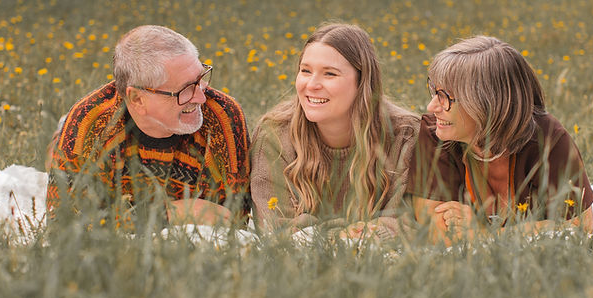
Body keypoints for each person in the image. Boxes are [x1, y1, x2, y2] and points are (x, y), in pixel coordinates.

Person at [46, 25, 250, 226]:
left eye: (201, 79)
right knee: (61, 159)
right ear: (137, 99)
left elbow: (234, 216)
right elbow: (64, 224)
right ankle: (59, 137)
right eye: (186, 89)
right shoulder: (89, 126)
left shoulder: (222, 114)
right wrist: (167, 215)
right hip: (91, 135)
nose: (201, 97)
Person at [409, 36, 593, 239]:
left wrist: (485, 233)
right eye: (434, 91)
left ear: (486, 103)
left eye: (446, 97)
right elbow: (435, 231)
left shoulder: (548, 141)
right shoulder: (435, 133)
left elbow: (580, 226)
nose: (432, 107)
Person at [250, 23, 419, 237]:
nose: (312, 85)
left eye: (329, 74)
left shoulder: (405, 136)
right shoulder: (274, 135)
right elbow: (275, 229)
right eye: (305, 71)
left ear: (362, 82)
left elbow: (409, 224)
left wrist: (316, 231)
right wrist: (348, 234)